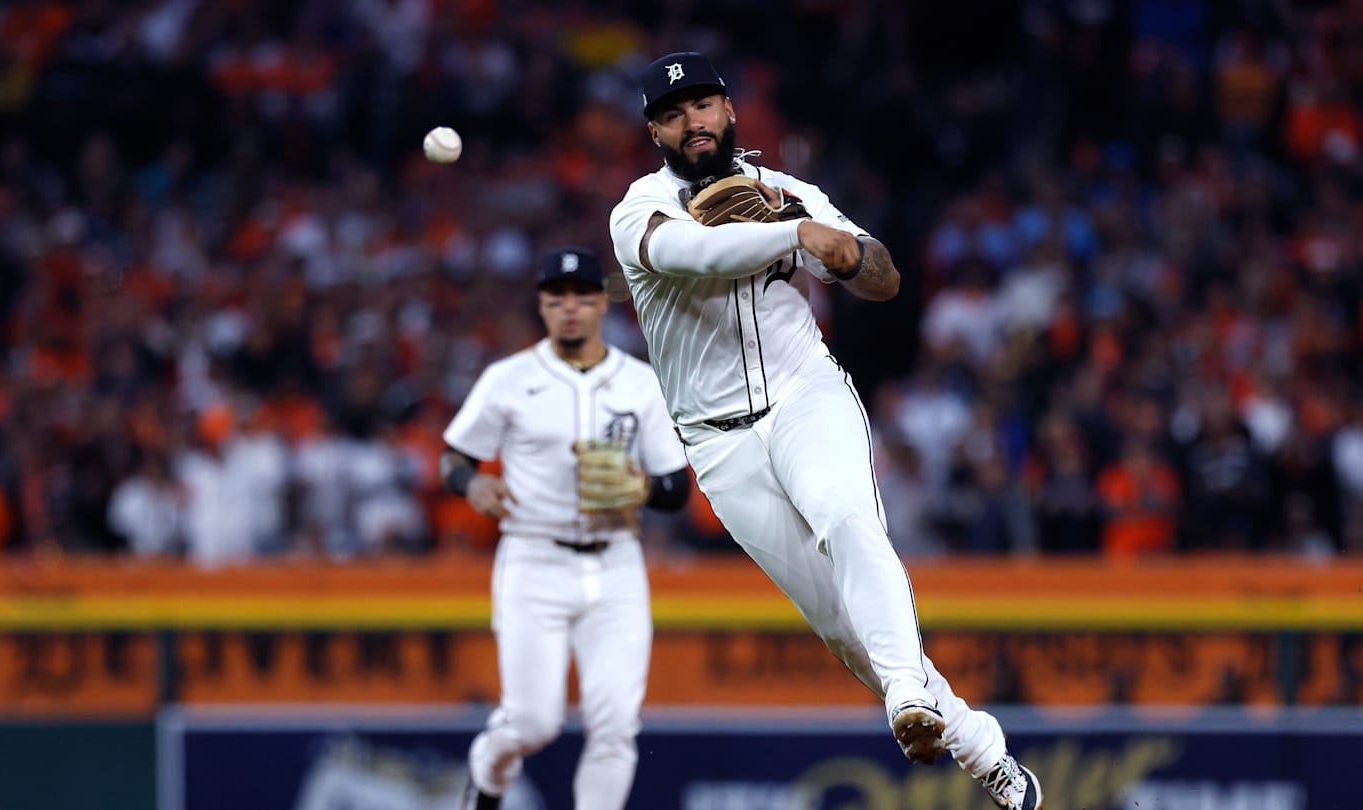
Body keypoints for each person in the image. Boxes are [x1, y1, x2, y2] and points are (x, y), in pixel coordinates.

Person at [607, 52, 1043, 809]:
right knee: (845, 628)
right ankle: (981, 748)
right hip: (719, 441)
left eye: (704, 105)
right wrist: (796, 237)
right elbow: (692, 252)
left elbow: (883, 278)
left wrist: (847, 252)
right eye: (674, 114)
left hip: (807, 392)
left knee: (847, 519)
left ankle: (908, 694)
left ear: (729, 110)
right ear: (655, 130)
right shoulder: (640, 207)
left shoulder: (790, 192)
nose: (693, 122)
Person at [439, 247, 691, 810]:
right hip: (534, 557)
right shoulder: (510, 378)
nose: (570, 309)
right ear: (543, 307)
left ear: (602, 303)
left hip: (617, 559)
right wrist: (472, 485)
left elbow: (677, 490)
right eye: (557, 300)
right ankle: (487, 767)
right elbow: (452, 457)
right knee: (532, 724)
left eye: (581, 297)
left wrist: (644, 489)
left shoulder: (640, 383)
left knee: (617, 727)